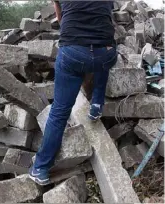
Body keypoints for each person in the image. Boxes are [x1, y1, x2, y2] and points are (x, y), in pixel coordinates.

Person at [29, 0, 118, 185]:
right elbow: (108, 18)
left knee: (60, 110)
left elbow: (61, 19)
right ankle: (96, 104)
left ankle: (41, 168)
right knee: (103, 52)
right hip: (105, 56)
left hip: (73, 55)